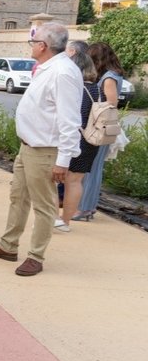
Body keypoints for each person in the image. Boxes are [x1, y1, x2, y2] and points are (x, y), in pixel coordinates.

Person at [0, 22, 83, 276]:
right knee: (18, 197)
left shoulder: (62, 73)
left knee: (44, 205)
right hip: (29, 147)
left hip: (45, 150)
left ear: (43, 46)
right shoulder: (49, 68)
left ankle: (36, 256)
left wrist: (63, 161)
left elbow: (70, 120)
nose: (31, 46)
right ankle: (8, 245)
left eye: (33, 42)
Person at [73, 42, 126, 222]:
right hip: (103, 128)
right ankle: (87, 207)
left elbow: (111, 103)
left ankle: (85, 208)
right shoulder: (113, 75)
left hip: (99, 128)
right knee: (93, 169)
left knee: (91, 170)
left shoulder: (109, 78)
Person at [55, 49, 102, 232]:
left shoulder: (77, 88)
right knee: (75, 182)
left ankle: (53, 218)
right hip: (91, 141)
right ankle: (66, 221)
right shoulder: (98, 89)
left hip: (73, 139)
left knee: (53, 180)